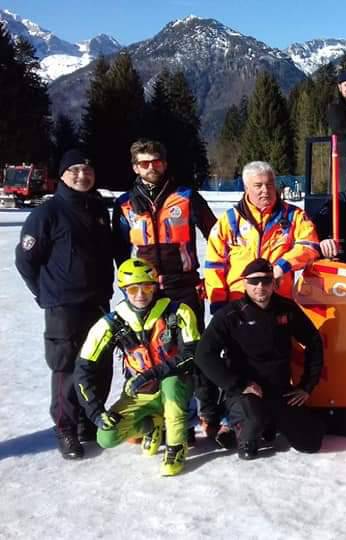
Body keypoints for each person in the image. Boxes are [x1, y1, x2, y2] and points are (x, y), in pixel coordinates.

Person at [112, 139, 224, 443]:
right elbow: (121, 250)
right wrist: (132, 286)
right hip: (145, 294)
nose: (152, 167)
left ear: (165, 162)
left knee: (196, 352)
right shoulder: (124, 203)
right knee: (149, 353)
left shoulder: (187, 197)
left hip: (184, 286)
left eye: (157, 161)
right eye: (145, 163)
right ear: (135, 166)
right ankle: (152, 417)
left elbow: (216, 236)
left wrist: (213, 276)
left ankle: (209, 415)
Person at [14, 149, 114, 460]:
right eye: (75, 170)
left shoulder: (98, 209)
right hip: (64, 306)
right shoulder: (47, 213)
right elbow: (25, 260)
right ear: (62, 175)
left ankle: (88, 420)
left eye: (87, 169)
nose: (82, 175)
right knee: (67, 368)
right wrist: (44, 293)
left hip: (98, 301)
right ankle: (65, 427)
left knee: (99, 365)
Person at [74, 258, 200, 476]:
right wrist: (95, 412)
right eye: (133, 289)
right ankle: (153, 425)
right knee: (107, 437)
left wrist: (149, 374)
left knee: (171, 383)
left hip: (177, 385)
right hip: (142, 392)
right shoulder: (112, 323)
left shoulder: (178, 312)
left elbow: (192, 354)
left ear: (155, 287)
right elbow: (83, 369)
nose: (140, 295)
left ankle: (176, 446)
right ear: (124, 291)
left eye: (146, 288)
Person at [195, 258, 326, 459]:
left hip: (280, 391)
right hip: (246, 391)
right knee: (248, 449)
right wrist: (238, 385)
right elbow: (204, 354)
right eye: (254, 282)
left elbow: (314, 341)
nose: (260, 287)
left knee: (310, 443)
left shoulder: (287, 309)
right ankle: (240, 425)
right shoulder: (230, 314)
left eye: (265, 281)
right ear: (244, 284)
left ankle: (270, 422)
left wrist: (307, 386)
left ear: (274, 283)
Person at [204, 160, 320, 306]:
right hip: (239, 302)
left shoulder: (293, 216)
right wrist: (218, 302)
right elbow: (214, 265)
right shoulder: (229, 221)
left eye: (270, 184)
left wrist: (282, 266)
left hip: (279, 300)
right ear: (246, 188)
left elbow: (310, 246)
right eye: (258, 185)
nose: (266, 190)